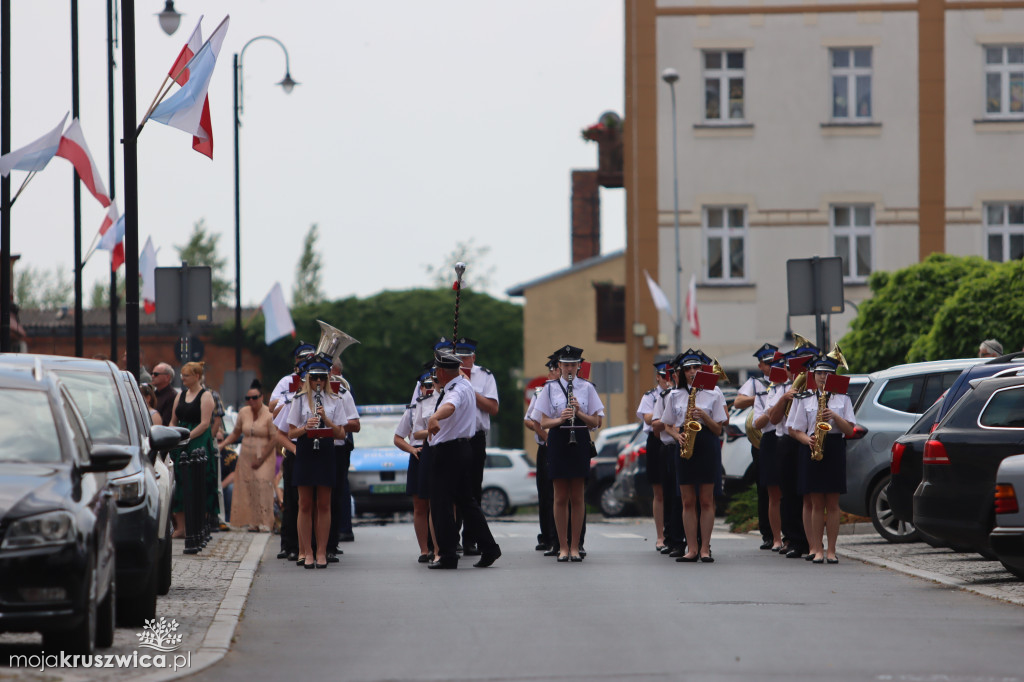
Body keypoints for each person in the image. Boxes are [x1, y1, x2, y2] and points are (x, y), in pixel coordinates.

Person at [425, 347, 501, 569]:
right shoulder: (466, 384)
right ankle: (489, 547)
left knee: (441, 505)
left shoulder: (456, 390)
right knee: (467, 503)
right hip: (463, 449)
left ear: (440, 372)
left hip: (448, 452)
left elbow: (450, 406)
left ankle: (448, 555)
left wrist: (434, 416)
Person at [530, 345, 604, 562]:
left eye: (573, 364)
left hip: (579, 438)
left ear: (579, 366)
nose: (570, 368)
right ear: (559, 366)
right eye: (566, 365)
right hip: (558, 439)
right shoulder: (549, 388)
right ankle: (562, 546)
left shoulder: (587, 388)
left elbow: (596, 422)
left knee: (578, 496)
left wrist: (579, 411)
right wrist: (561, 419)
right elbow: (542, 421)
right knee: (560, 496)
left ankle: (575, 546)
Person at [786, 350, 856, 564]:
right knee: (816, 503)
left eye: (827, 373)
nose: (823, 377)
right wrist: (807, 440)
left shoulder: (842, 398)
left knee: (833, 503)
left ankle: (832, 550)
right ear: (813, 375)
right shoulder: (805, 398)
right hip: (813, 445)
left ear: (833, 376)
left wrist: (834, 416)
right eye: (819, 373)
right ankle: (816, 548)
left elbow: (850, 430)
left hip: (834, 446)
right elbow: (793, 429)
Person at [661, 349, 727, 563]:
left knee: (706, 500)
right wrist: (676, 435)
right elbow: (666, 425)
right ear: (682, 372)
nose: (692, 372)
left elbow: (718, 430)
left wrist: (705, 416)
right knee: (687, 501)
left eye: (696, 368)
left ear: (702, 369)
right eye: (687, 369)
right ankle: (691, 548)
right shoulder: (675, 394)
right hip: (685, 444)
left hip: (707, 444)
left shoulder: (714, 392)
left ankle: (705, 548)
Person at [287, 354, 347, 569]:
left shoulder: (335, 400)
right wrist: (307, 427)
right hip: (305, 450)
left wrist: (327, 419)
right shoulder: (299, 399)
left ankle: (322, 551)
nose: (318, 382)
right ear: (308, 379)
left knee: (324, 503)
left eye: (322, 377)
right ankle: (308, 551)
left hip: (326, 450)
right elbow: (291, 432)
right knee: (304, 504)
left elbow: (341, 434)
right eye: (314, 378)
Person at [766, 344, 819, 559]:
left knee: (812, 494)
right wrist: (783, 399)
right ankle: (795, 539)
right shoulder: (779, 389)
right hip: (788, 442)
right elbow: (773, 419)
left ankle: (813, 541)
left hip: (812, 441)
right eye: (793, 367)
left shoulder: (817, 389)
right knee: (789, 493)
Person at [452, 337, 499, 557]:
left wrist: (468, 387)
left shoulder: (485, 376)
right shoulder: (449, 372)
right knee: (453, 489)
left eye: (465, 357)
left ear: (473, 357)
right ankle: (452, 538)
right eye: (458, 357)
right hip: (456, 437)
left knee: (473, 489)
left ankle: (471, 539)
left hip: (476, 437)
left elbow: (492, 407)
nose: (462, 361)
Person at [270, 342, 316, 562]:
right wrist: (291, 401)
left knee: (315, 501)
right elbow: (272, 409)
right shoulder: (287, 382)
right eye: (303, 358)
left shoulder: (322, 381)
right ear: (296, 361)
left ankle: (313, 546)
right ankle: (288, 544)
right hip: (294, 446)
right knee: (291, 499)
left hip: (316, 448)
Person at [734, 343, 778, 550]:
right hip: (762, 440)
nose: (771, 366)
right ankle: (768, 534)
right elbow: (738, 402)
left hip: (782, 437)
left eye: (774, 362)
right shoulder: (756, 383)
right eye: (767, 363)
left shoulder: (785, 381)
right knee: (764, 488)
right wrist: (761, 397)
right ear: (760, 365)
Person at [169, 361, 218, 539]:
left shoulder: (206, 396)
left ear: (197, 376)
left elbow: (205, 423)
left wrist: (187, 436)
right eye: (182, 375)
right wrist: (173, 434)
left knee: (198, 482)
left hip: (198, 441)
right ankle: (181, 527)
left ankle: (199, 525)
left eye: (186, 375)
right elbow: (173, 420)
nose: (183, 378)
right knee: (180, 484)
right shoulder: (180, 395)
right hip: (181, 442)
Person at [220, 379, 277, 532]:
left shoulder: (268, 414)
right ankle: (253, 521)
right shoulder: (243, 413)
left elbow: (274, 438)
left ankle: (265, 521)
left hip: (264, 451)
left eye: (254, 398)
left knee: (262, 483)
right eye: (248, 398)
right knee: (248, 486)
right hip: (246, 453)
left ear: (261, 397)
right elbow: (235, 433)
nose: (251, 401)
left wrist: (263, 457)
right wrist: (222, 445)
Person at [395, 369, 440, 562]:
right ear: (420, 388)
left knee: (439, 503)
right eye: (426, 385)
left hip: (438, 451)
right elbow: (398, 438)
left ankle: (442, 545)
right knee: (420, 505)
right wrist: (412, 450)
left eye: (432, 384)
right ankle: (424, 549)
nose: (429, 389)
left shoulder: (442, 403)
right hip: (419, 454)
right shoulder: (414, 408)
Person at [524, 354, 559, 553]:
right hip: (546, 447)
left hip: (564, 447)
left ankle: (566, 538)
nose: (551, 373)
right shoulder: (541, 392)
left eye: (553, 369)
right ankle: (546, 536)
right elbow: (530, 419)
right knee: (546, 494)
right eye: (551, 369)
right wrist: (546, 437)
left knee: (563, 494)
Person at [637, 361, 673, 552]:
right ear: (658, 377)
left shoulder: (677, 394)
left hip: (672, 437)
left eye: (670, 375)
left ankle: (674, 532)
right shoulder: (650, 396)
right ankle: (660, 535)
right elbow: (649, 418)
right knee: (658, 491)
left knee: (674, 489)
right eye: (663, 376)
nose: (667, 380)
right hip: (656, 440)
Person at [751, 351, 785, 551]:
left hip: (788, 437)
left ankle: (792, 536)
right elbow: (758, 422)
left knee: (791, 491)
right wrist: (772, 407)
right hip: (771, 439)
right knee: (773, 493)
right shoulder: (764, 392)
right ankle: (776, 538)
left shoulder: (793, 389)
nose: (775, 368)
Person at [327, 359, 360, 561]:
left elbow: (355, 424)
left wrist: (332, 424)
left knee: (335, 494)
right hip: (313, 448)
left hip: (337, 447)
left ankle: (332, 542)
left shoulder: (343, 392)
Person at [151, 362, 179, 427]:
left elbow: (166, 422)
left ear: (167, 377)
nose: (152, 376)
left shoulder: (172, 396)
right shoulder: (153, 394)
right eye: (152, 373)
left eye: (156, 374)